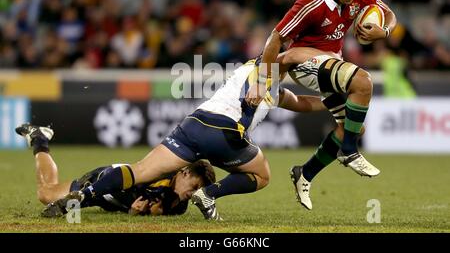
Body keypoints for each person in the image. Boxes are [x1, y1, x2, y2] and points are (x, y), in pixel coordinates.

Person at [38, 56, 326, 220]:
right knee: (262, 176)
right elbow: (260, 77)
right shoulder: (264, 70)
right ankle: (209, 195)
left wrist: (338, 104)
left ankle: (82, 196)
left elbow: (301, 102)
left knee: (139, 171)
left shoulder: (274, 87)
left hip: (195, 125)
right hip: (226, 131)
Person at [245, 0, 397, 210]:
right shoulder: (310, 4)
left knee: (354, 128)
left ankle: (304, 173)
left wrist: (385, 31)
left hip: (331, 64)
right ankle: (349, 152)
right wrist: (262, 81)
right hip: (305, 65)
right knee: (363, 82)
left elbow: (389, 13)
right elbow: (275, 38)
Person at [15, 123, 216, 217]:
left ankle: (40, 136)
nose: (192, 193)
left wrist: (135, 212)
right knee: (46, 194)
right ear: (185, 172)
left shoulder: (178, 206)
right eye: (195, 186)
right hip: (106, 183)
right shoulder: (164, 171)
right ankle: (40, 138)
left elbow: (152, 210)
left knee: (49, 194)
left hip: (114, 199)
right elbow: (126, 174)